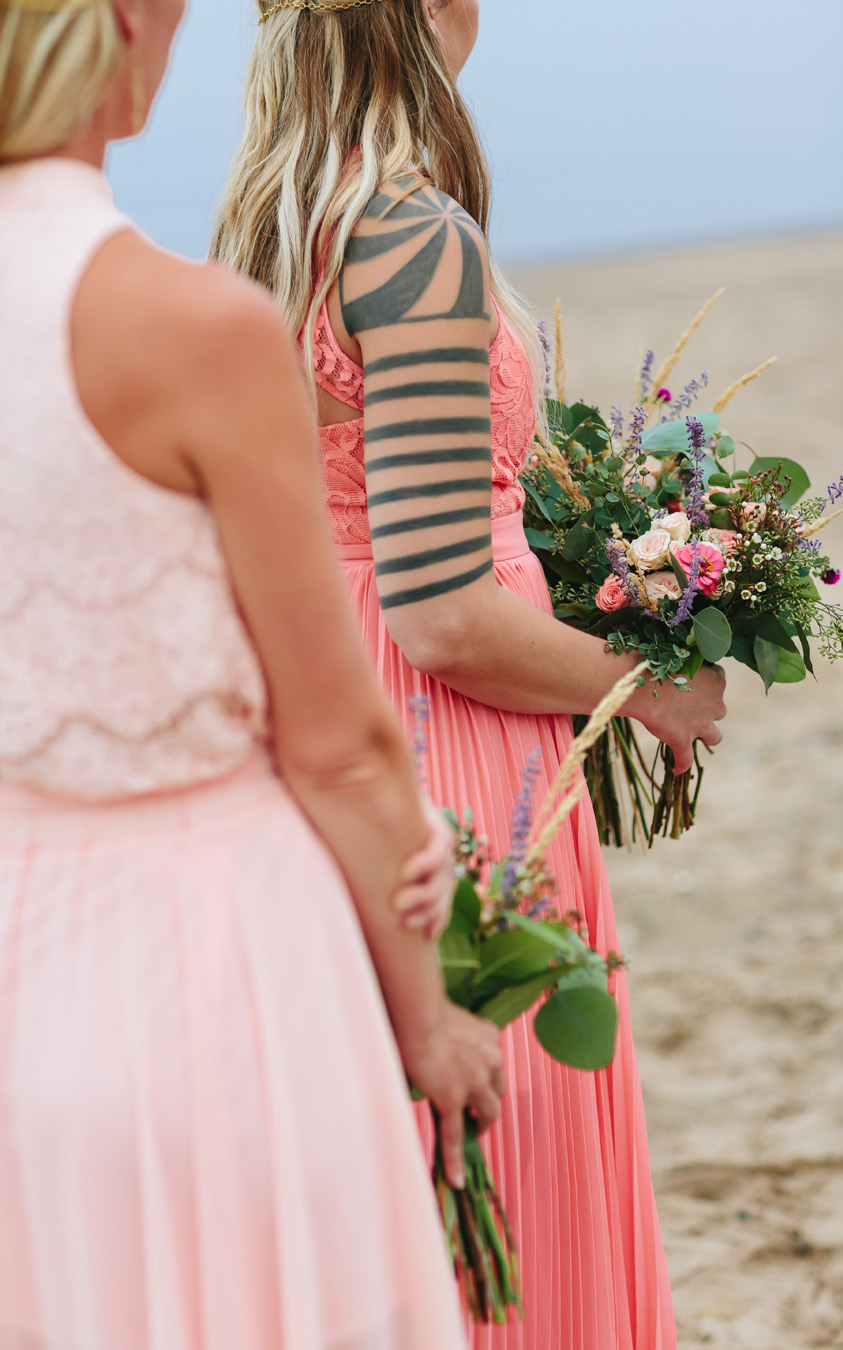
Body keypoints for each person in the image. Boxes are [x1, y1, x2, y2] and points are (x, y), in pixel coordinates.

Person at [212, 2, 727, 1347]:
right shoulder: (411, 238)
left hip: (320, 713)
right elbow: (440, 606)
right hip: (445, 746)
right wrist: (643, 681)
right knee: (502, 1157)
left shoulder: (268, 238)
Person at [0, 1, 507, 1347]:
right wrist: (430, 1019)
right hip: (210, 950)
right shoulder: (186, 323)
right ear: (112, 25)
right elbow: (338, 744)